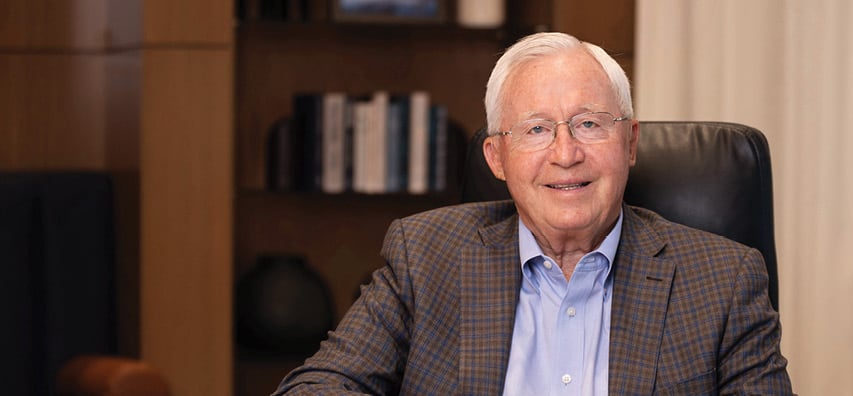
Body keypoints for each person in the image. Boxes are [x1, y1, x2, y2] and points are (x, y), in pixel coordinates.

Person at [274, 31, 792, 395]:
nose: (565, 154)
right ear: (497, 157)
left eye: (589, 124)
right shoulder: (424, 257)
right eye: (536, 129)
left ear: (630, 143)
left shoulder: (724, 281)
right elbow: (317, 386)